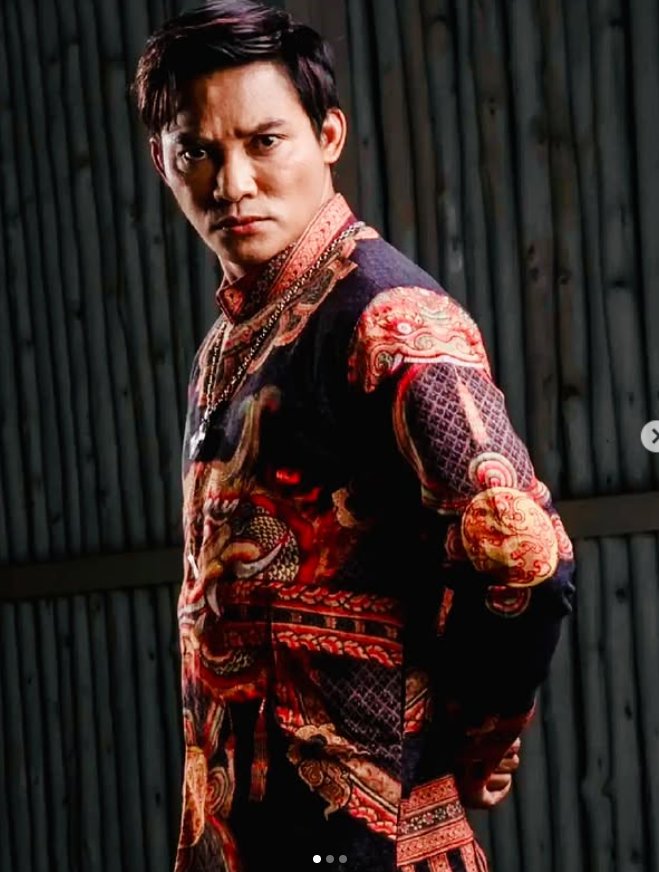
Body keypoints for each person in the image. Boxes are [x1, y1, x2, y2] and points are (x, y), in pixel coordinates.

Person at [132, 2, 575, 870]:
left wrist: (475, 734)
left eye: (264, 141)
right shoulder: (230, 336)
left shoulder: (385, 315)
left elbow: (520, 553)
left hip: (374, 842)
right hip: (245, 834)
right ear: (162, 161)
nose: (232, 183)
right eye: (197, 152)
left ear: (327, 135)